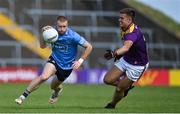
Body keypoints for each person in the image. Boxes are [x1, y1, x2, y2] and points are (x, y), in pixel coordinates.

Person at [15, 16, 93, 105]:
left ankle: (57, 90)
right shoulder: (52, 33)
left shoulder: (73, 36)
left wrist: (80, 61)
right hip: (54, 60)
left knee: (53, 86)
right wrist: (43, 33)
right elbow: (42, 46)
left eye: (64, 26)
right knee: (44, 76)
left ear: (67, 26)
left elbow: (89, 47)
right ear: (56, 25)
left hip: (66, 67)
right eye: (60, 26)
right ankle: (22, 96)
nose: (62, 29)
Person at [103, 8, 149, 109]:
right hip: (127, 59)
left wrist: (114, 53)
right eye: (119, 18)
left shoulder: (132, 33)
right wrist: (120, 54)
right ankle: (126, 87)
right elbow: (128, 48)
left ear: (129, 20)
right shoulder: (124, 28)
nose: (119, 20)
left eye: (122, 18)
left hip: (138, 65)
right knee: (107, 80)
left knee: (119, 89)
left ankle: (112, 104)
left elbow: (126, 47)